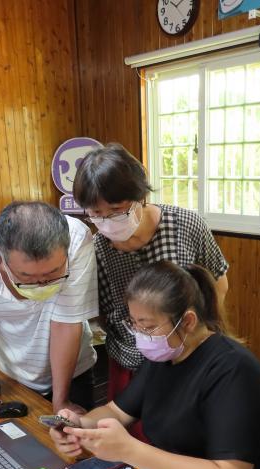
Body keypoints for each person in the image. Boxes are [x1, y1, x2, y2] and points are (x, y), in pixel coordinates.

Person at [49, 260, 260, 469]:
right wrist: (79, 424)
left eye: (148, 327)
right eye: (134, 324)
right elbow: (116, 411)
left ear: (187, 321)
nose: (140, 336)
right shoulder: (165, 355)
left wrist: (130, 450)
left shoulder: (235, 372)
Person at [73, 143, 229, 402]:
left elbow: (218, 285)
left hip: (190, 358)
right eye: (96, 214)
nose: (107, 222)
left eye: (116, 210)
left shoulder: (185, 225)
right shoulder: (96, 249)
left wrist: (197, 337)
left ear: (141, 196)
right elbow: (103, 315)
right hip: (131, 363)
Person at [0, 201, 98, 414]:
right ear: (1, 255)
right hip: (11, 374)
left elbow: (66, 323)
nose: (42, 284)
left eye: (53, 273)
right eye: (26, 276)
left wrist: (61, 401)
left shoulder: (77, 239)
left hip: (73, 370)